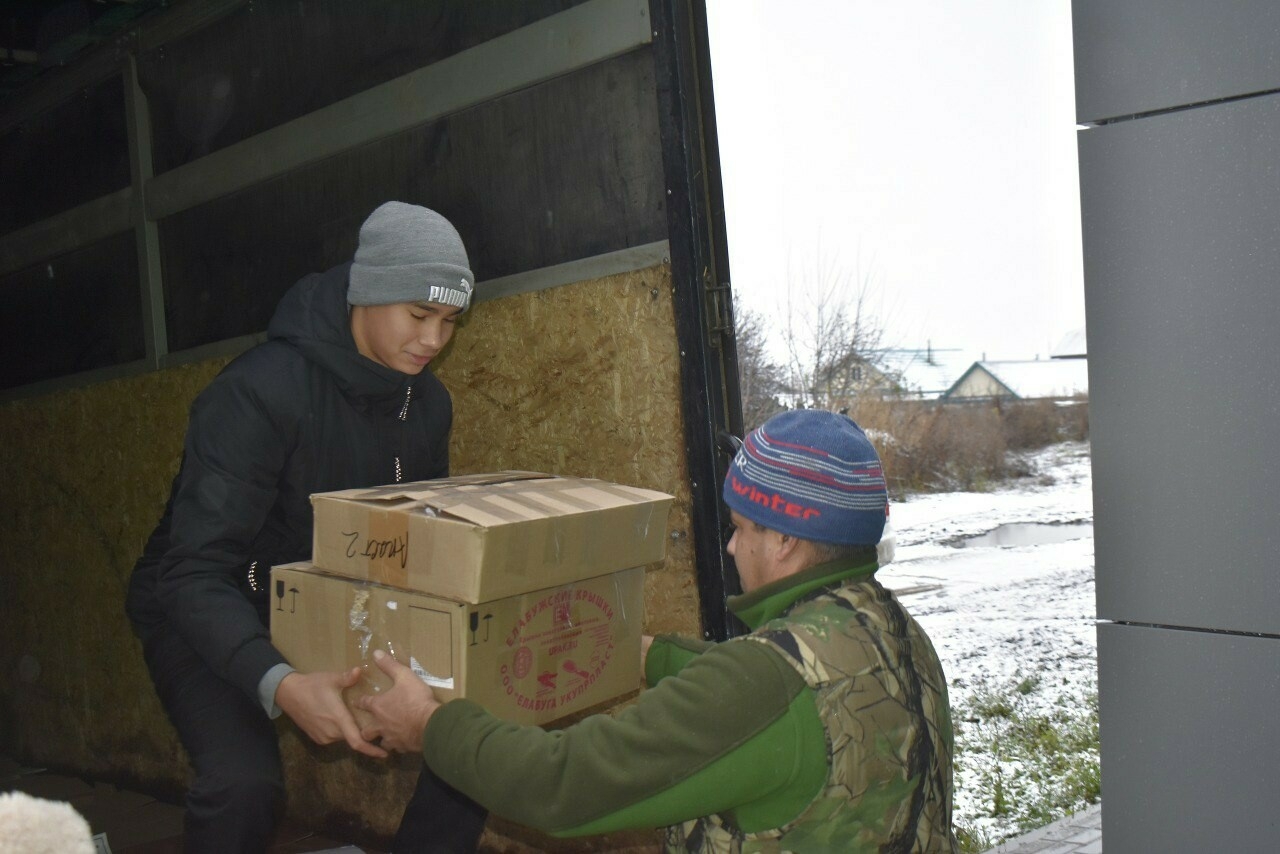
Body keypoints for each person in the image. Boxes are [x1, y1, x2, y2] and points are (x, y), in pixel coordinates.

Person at [356, 409, 959, 852]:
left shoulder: (763, 680)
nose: (729, 544)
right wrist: (639, 654)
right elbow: (765, 696)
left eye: (741, 527)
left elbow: (560, 785)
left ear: (785, 540)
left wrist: (430, 725)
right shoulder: (894, 632)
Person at [125, 201, 488, 854]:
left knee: (473, 743)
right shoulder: (258, 394)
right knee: (243, 786)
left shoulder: (427, 404)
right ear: (368, 292)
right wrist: (282, 683)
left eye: (449, 321)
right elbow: (192, 571)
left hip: (328, 598)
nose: (434, 340)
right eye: (419, 314)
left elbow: (421, 540)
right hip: (212, 597)